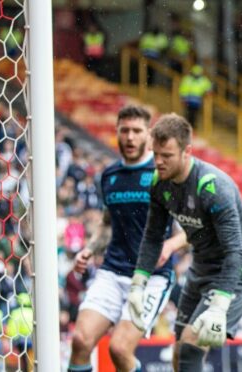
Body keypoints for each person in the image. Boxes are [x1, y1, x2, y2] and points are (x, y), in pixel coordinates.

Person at [127, 113, 242, 371]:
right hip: (201, 268)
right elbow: (153, 236)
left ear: (187, 151)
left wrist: (220, 306)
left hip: (236, 271)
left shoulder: (212, 187)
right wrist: (138, 282)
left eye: (166, 156)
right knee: (179, 353)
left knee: (191, 345)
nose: (158, 162)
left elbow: (236, 251)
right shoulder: (158, 183)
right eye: (155, 154)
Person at [68, 105, 188, 372]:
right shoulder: (109, 176)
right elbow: (107, 222)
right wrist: (88, 249)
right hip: (113, 270)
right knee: (80, 341)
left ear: (149, 135)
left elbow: (195, 227)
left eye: (137, 131)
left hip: (151, 276)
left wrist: (170, 244)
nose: (130, 137)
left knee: (119, 350)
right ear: (117, 133)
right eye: (125, 131)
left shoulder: (164, 174)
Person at [6, 293, 34, 372]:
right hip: (32, 340)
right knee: (31, 358)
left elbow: (12, 327)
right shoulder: (32, 312)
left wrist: (13, 339)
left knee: (23, 359)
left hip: (21, 341)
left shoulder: (15, 312)